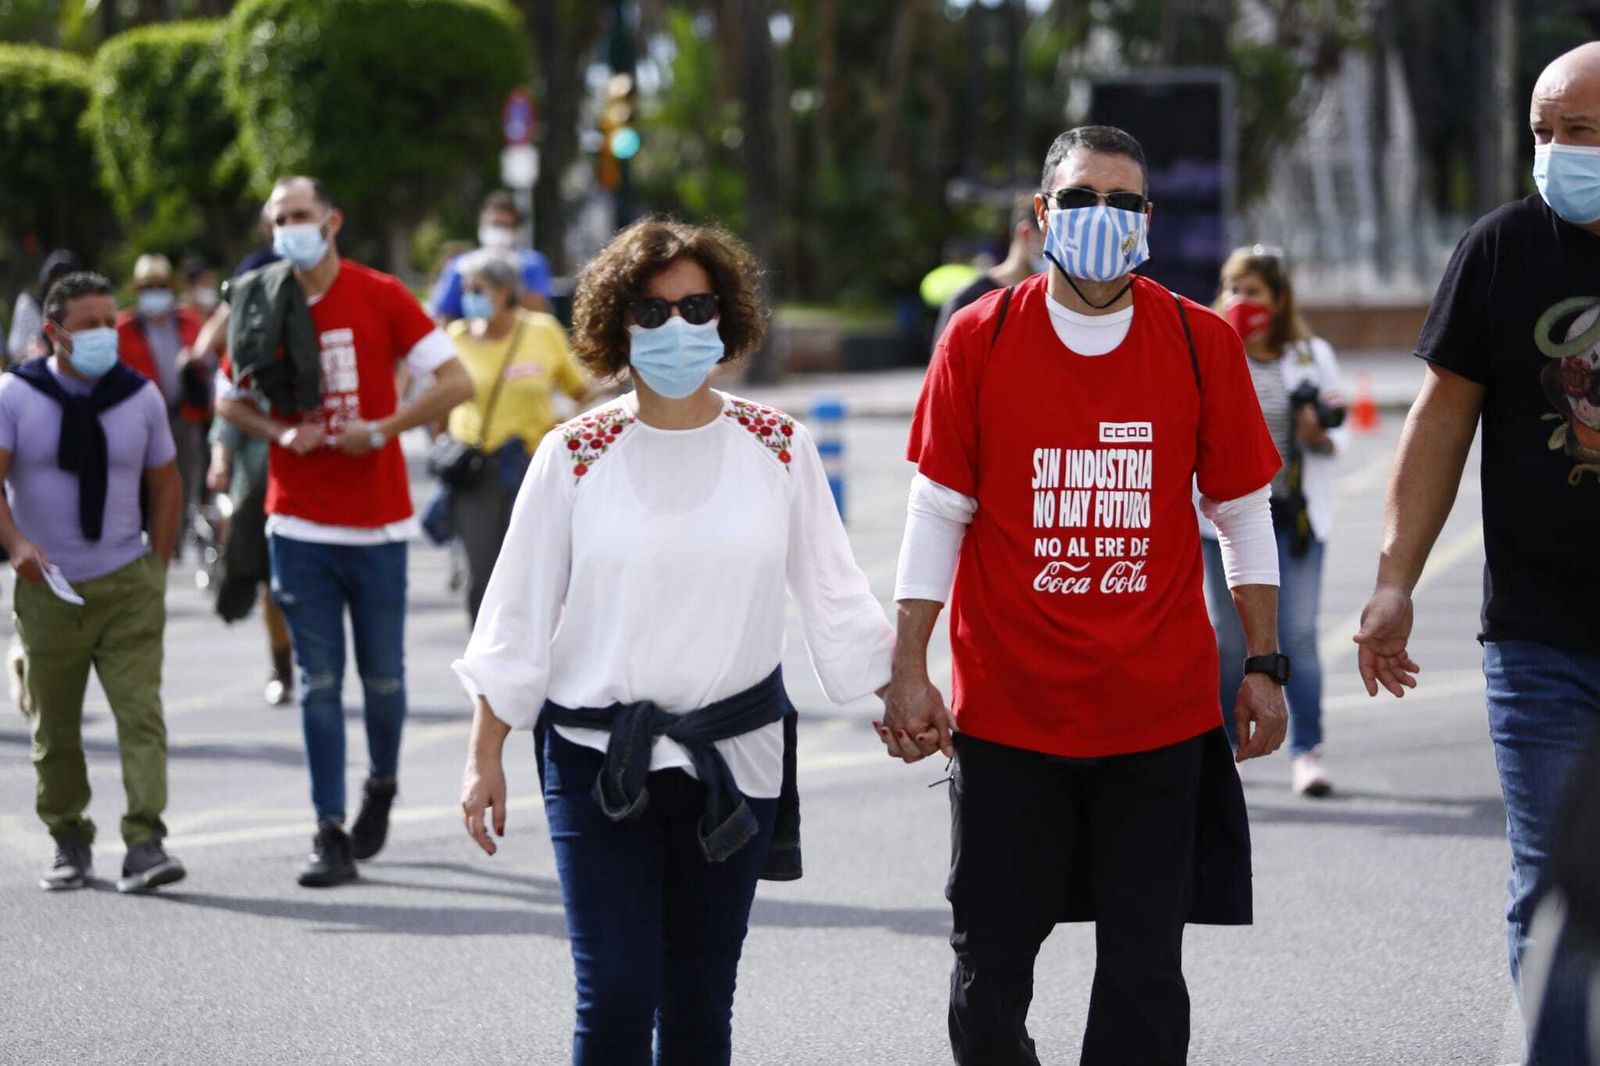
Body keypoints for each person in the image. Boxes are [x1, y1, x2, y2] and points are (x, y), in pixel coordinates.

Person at [883, 125, 1289, 1066]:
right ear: (1041, 214)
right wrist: (908, 670)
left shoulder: (1199, 342)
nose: (1100, 219)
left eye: (1121, 203)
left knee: (1145, 975)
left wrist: (1264, 661)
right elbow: (938, 510)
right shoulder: (980, 337)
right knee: (989, 970)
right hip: (1008, 721)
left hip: (1158, 722)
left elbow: (1242, 511)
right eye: (1079, 200)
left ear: (1146, 222)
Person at [455, 218, 894, 1066]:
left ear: (726, 319)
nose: (677, 328)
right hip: (595, 762)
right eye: (652, 312)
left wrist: (901, 689)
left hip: (736, 765)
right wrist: (485, 753)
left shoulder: (779, 447)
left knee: (698, 1010)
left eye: (696, 307)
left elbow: (837, 600)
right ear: (617, 327)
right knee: (616, 996)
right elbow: (514, 612)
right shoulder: (574, 454)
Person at [1354, 43, 1600, 1065]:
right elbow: (1440, 422)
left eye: (1578, 133)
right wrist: (1393, 580)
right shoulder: (1499, 251)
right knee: (1551, 888)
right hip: (1538, 640)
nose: (1554, 153)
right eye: (1542, 133)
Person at [215, 176, 473, 888]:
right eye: (277, 220)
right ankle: (327, 830)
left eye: (300, 216)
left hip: (377, 523)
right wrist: (280, 433)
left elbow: (456, 382)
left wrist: (384, 429)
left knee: (384, 680)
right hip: (296, 520)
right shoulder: (260, 298)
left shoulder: (380, 293)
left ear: (332, 220)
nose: (289, 229)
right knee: (319, 682)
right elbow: (227, 401)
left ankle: (381, 786)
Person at [0, 271, 185, 893]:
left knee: (141, 717)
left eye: (112, 321)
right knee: (56, 728)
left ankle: (145, 842)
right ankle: (68, 836)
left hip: (126, 584)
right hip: (49, 589)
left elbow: (165, 484)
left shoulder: (140, 396)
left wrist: (155, 566)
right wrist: (18, 543)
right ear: (53, 333)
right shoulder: (15, 395)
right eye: (91, 325)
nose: (108, 334)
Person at [1205, 246, 1348, 797]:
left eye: (1254, 293)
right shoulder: (1210, 348)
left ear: (1278, 300)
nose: (1241, 302)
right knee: (1226, 641)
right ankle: (1222, 750)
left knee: (1299, 636)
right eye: (1233, 289)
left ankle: (1307, 750)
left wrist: (1320, 434)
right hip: (1220, 527)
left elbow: (1339, 430)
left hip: (1293, 522)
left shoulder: (1310, 355)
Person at [440, 248, 593, 621]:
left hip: (530, 466)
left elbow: (581, 390)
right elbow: (439, 396)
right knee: (483, 573)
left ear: (505, 289)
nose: (469, 297)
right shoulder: (456, 336)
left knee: (537, 569)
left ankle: (538, 653)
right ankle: (486, 661)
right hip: (476, 472)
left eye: (479, 289)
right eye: (466, 289)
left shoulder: (540, 331)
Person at [116, 253, 208, 553]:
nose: (154, 292)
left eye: (160, 285)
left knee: (181, 480)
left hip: (184, 415)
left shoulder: (189, 322)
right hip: (138, 421)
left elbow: (209, 361)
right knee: (142, 482)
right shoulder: (122, 327)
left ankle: (173, 540)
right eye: (148, 286)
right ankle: (143, 538)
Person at [931, 192, 1048, 347]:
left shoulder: (1051, 301)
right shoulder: (969, 300)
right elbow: (943, 367)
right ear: (1026, 234)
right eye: (1052, 238)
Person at [428, 190, 552, 324]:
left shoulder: (531, 263)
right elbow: (443, 315)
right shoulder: (462, 265)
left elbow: (538, 310)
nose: (498, 230)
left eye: (505, 226)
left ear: (516, 229)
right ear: (481, 225)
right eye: (494, 224)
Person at [8, 250, 80, 365]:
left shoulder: (83, 310)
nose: (61, 285)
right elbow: (16, 350)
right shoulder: (30, 304)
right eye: (57, 279)